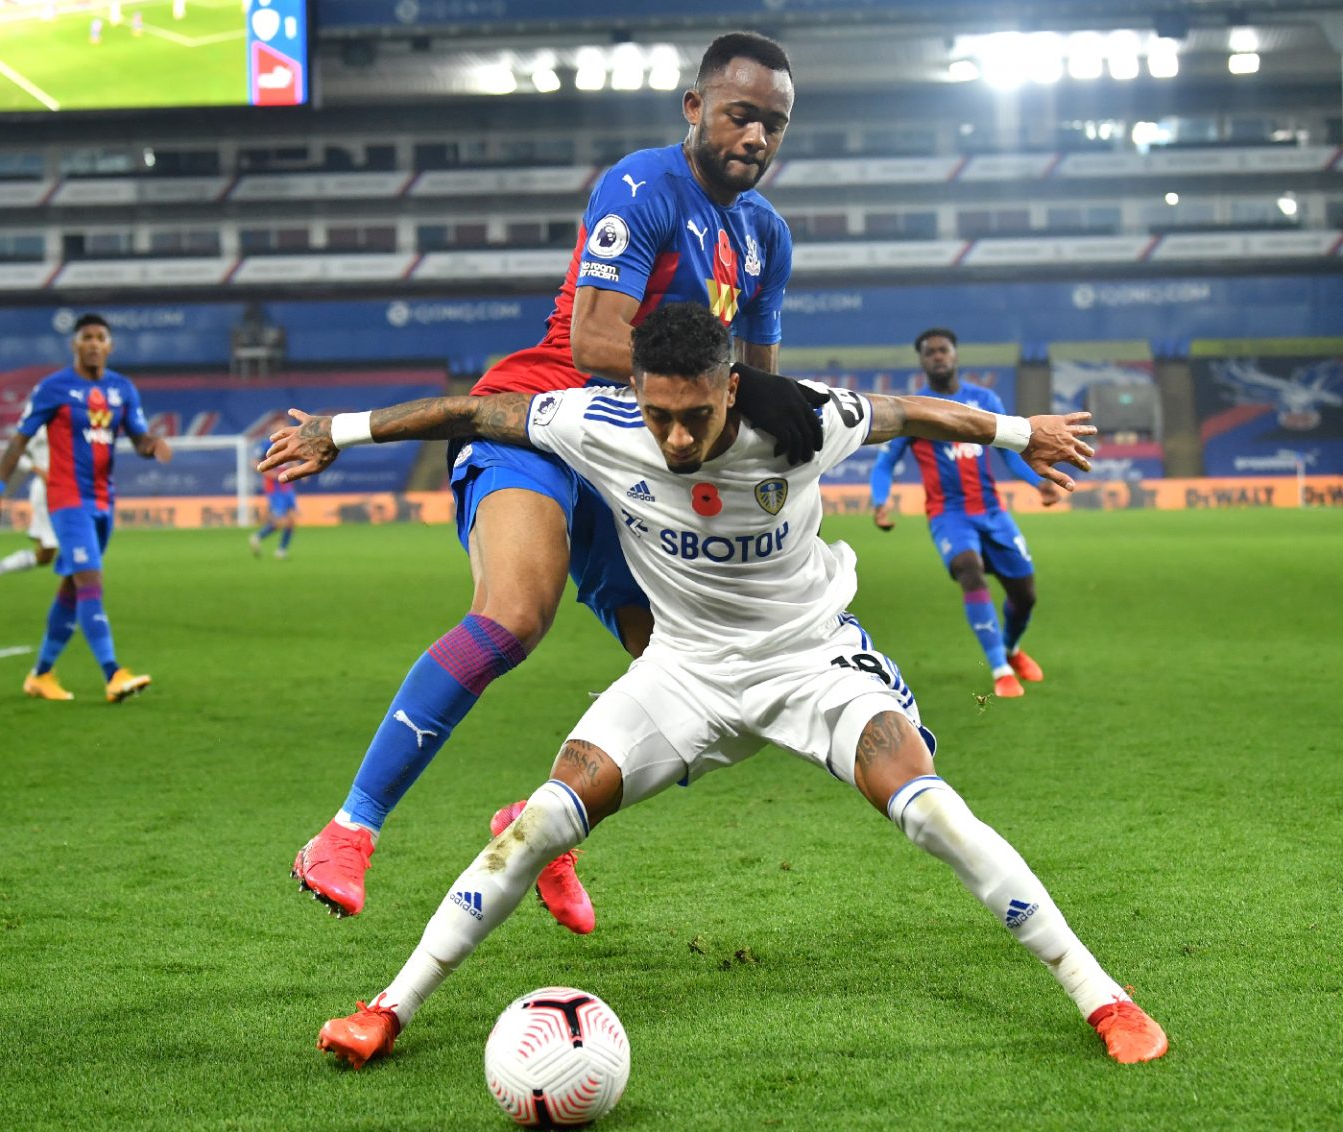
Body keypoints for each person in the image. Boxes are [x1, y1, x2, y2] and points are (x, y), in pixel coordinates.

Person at [260, 301, 1167, 1070]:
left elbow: (912, 412)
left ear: (730, 386)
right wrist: (334, 433)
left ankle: (1102, 996)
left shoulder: (806, 421)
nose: (678, 437)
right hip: (682, 672)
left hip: (810, 660)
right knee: (542, 818)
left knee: (929, 809)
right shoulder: (598, 424)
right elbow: (474, 413)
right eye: (660, 415)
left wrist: (1023, 432)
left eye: (695, 414)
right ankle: (391, 1005)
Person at [289, 30, 825, 931]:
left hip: (637, 461)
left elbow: (747, 395)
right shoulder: (643, 186)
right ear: (695, 109)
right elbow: (592, 340)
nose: (758, 137)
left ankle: (540, 826)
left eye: (775, 124)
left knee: (692, 677)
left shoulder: (765, 237)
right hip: (538, 417)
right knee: (514, 615)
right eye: (741, 114)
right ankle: (347, 831)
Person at [0, 312, 172, 703]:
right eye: (87, 337)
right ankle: (113, 673)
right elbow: (18, 442)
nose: (95, 343)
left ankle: (41, 674)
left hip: (103, 501)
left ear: (110, 345)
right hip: (66, 499)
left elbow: (137, 437)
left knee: (72, 587)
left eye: (101, 337)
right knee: (90, 582)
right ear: (75, 345)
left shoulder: (122, 389)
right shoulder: (54, 388)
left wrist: (152, 446)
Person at [870, 328, 1061, 699]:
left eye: (944, 350)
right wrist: (881, 502)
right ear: (922, 361)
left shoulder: (984, 399)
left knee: (1026, 595)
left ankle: (1011, 649)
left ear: (956, 355)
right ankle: (1000, 669)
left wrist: (1037, 482)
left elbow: (1009, 452)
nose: (938, 357)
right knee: (969, 571)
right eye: (930, 352)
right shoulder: (913, 408)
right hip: (948, 515)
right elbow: (884, 463)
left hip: (991, 511)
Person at [0, 432, 58, 594]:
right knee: (59, 550)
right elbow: (15, 453)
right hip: (47, 491)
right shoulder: (39, 420)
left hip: (68, 490)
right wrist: (38, 470)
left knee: (46, 554)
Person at [250, 462, 297, 559]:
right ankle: (258, 536)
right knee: (280, 522)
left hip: (288, 488)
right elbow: (254, 463)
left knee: (291, 520)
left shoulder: (288, 446)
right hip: (275, 490)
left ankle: (281, 551)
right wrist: (270, 474)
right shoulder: (266, 446)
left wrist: (298, 469)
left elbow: (292, 459)